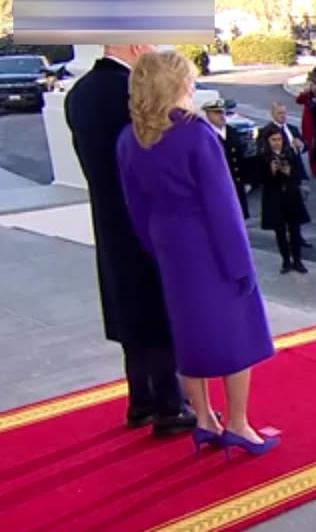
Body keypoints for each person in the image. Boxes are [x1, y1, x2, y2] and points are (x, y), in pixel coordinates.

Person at [115, 50, 278, 457]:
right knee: (235, 332)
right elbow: (222, 205)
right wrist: (241, 265)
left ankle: (204, 418)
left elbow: (135, 207)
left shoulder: (129, 138)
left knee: (187, 332)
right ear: (175, 84)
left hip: (169, 245)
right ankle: (238, 424)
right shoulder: (194, 133)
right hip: (207, 242)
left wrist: (158, 248)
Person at [65, 44, 195, 437]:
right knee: (155, 309)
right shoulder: (132, 90)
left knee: (127, 306)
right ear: (134, 45)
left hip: (106, 215)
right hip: (146, 214)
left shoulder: (79, 93)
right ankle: (169, 405)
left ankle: (140, 400)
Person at [257, 123, 312, 274]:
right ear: (268, 141)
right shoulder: (263, 156)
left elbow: (297, 175)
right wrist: (271, 171)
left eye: (279, 139)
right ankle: (286, 261)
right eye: (273, 139)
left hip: (291, 196)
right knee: (280, 232)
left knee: (295, 230)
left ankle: (298, 260)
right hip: (274, 198)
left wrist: (289, 172)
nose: (277, 142)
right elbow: (259, 179)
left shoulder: (290, 153)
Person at [201, 99, 249, 219]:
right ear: (208, 114)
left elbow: (241, 157)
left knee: (239, 218)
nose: (221, 116)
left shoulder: (232, 132)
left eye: (223, 112)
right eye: (217, 113)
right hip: (219, 186)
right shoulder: (206, 135)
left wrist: (247, 179)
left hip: (236, 183)